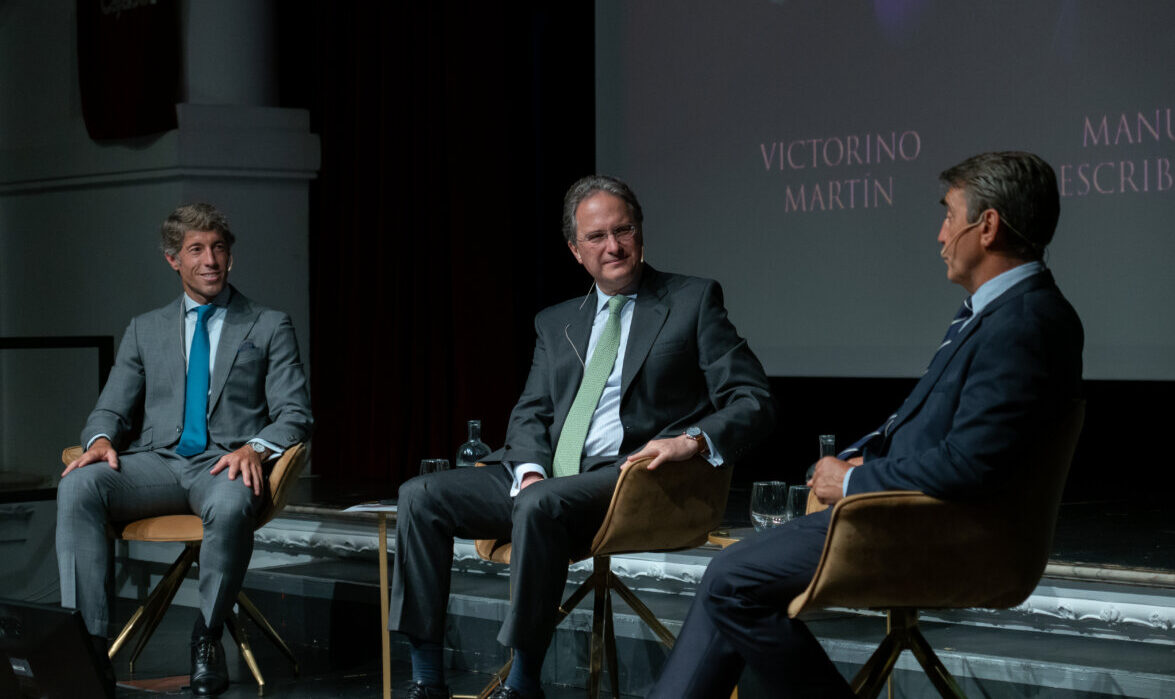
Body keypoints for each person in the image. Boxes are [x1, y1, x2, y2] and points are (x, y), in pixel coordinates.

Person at [648, 151, 1085, 698]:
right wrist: (858, 459)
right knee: (732, 577)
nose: (940, 234)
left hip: (935, 535)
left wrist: (852, 482)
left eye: (949, 215)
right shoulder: (1001, 313)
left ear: (988, 226)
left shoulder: (1026, 322)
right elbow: (935, 432)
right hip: (909, 518)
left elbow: (973, 464)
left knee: (732, 579)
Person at [390, 175, 776, 699]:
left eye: (624, 231)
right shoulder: (557, 322)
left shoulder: (691, 300)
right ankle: (425, 678)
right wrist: (526, 469)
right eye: (596, 237)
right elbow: (530, 411)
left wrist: (692, 439)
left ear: (641, 234)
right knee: (420, 495)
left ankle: (523, 682)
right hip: (549, 478)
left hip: (628, 479)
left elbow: (752, 399)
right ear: (576, 250)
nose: (613, 246)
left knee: (539, 506)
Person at [56, 203, 314, 697]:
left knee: (232, 499)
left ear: (231, 257)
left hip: (222, 465)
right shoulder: (145, 329)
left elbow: (296, 413)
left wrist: (255, 448)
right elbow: (109, 409)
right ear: (174, 260)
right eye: (197, 250)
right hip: (158, 463)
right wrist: (102, 440)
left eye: (219, 248)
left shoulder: (267, 325)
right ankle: (87, 647)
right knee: (81, 484)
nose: (210, 260)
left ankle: (207, 636)